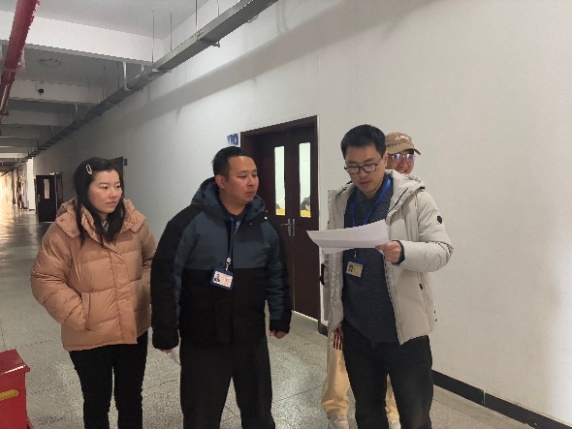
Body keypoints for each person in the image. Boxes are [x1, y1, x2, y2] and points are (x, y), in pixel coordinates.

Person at [150, 146, 291, 429]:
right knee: (201, 415)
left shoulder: (265, 227)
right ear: (221, 181)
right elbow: (166, 278)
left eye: (254, 175)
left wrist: (280, 316)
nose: (251, 182)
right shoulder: (188, 223)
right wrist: (166, 331)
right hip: (202, 338)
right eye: (242, 176)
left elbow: (277, 274)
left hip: (250, 337)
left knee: (259, 412)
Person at [323, 124, 453, 429]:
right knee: (368, 412)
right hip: (357, 332)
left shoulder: (415, 199)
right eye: (353, 167)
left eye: (369, 165)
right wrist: (335, 315)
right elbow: (333, 263)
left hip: (404, 333)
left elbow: (443, 250)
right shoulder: (342, 201)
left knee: (415, 417)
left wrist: (404, 251)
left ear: (384, 159)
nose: (362, 174)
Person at [30, 157, 156, 429]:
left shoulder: (134, 222)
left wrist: (141, 291)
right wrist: (82, 314)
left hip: (133, 328)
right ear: (85, 188)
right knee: (97, 402)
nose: (114, 194)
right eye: (104, 187)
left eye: (117, 186)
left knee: (131, 398)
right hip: (90, 335)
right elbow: (45, 278)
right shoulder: (64, 230)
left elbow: (152, 260)